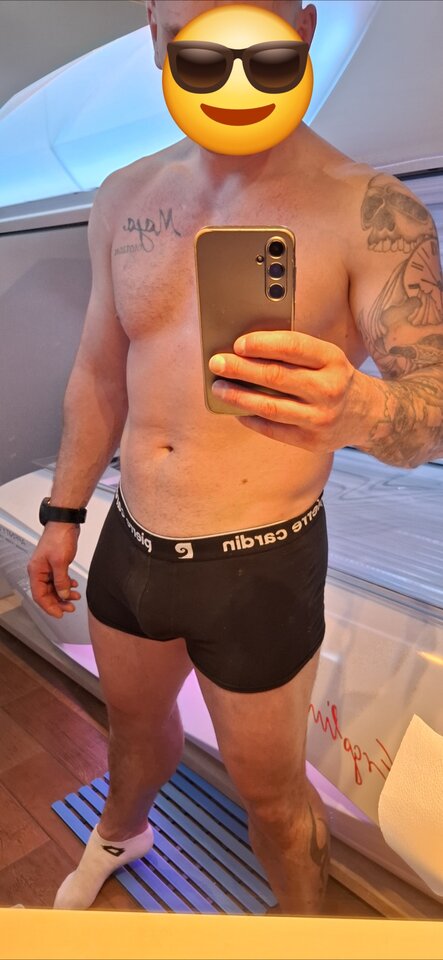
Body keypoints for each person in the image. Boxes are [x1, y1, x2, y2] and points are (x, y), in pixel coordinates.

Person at [27, 0, 443, 916]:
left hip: (261, 567)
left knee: (274, 802)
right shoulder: (125, 195)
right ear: (155, 31)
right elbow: (98, 371)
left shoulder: (370, 210)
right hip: (131, 545)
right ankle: (122, 833)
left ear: (303, 26)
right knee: (132, 737)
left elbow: (434, 407)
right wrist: (62, 514)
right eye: (197, 41)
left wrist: (365, 407)